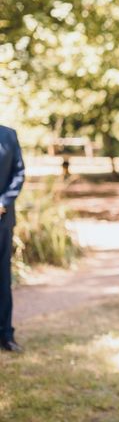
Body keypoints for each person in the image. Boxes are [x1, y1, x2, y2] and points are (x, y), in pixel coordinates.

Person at [0, 124, 25, 352]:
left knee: (3, 280)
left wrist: (3, 203)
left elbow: (19, 173)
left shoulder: (9, 135)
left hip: (2, 220)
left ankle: (6, 335)